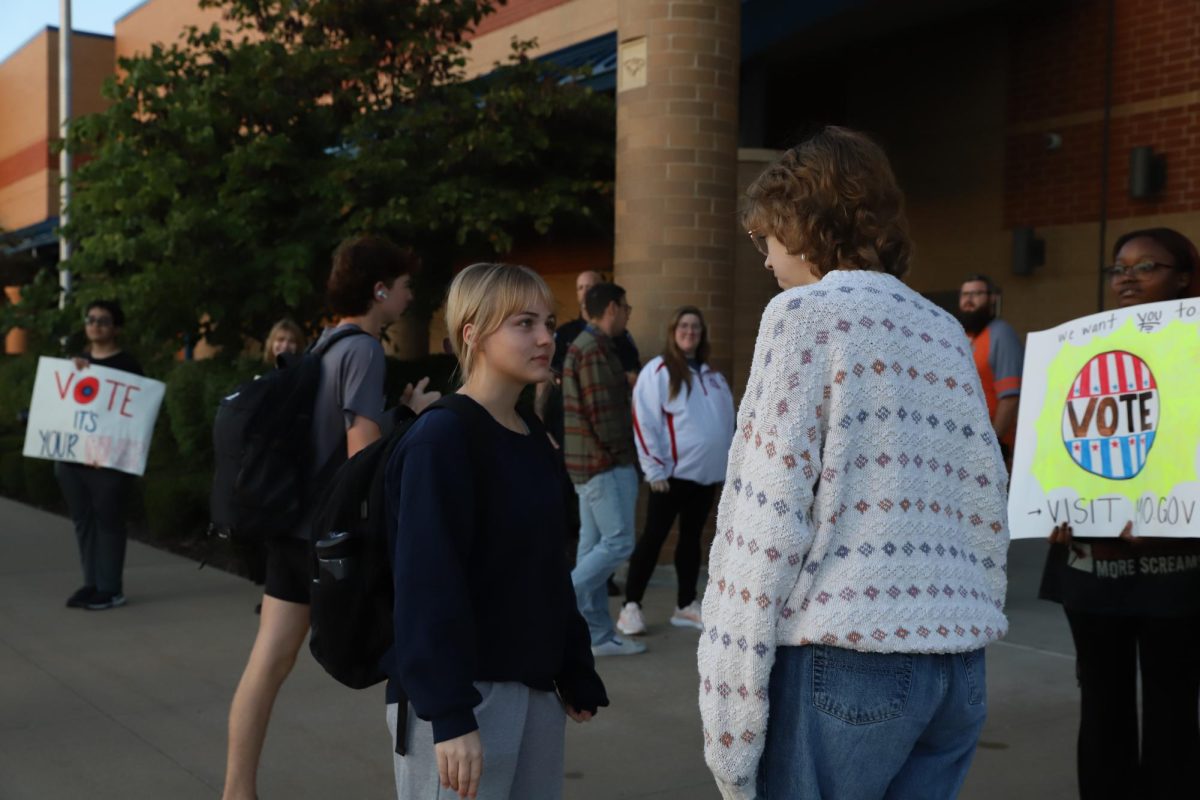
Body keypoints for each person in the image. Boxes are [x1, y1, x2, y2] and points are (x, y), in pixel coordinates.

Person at [698, 126, 1010, 800]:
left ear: (806, 224)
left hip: (846, 658)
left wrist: (730, 728)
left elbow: (763, 523)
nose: (766, 259)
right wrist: (971, 611)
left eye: (767, 239)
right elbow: (985, 499)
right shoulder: (943, 330)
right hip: (955, 663)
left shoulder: (802, 318)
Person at [222, 236, 439, 800]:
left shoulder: (326, 343)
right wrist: (413, 423)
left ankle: (236, 791)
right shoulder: (364, 349)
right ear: (380, 290)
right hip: (330, 540)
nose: (411, 294)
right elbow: (361, 454)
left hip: (291, 530)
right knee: (405, 647)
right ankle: (433, 776)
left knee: (267, 663)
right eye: (405, 285)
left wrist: (399, 412)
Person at [385, 262, 608, 800]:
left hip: (534, 688)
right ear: (473, 334)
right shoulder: (443, 439)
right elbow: (425, 584)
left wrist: (574, 664)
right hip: (463, 696)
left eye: (549, 323)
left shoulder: (530, 433)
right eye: (524, 323)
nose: (545, 339)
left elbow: (546, 566)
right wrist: (450, 713)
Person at [1041, 227, 1200, 800]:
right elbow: (1055, 445)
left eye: (1146, 266)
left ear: (1184, 276)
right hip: (1092, 567)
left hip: (1177, 575)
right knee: (1102, 706)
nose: (1126, 277)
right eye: (1118, 268)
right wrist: (1051, 503)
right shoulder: (1080, 349)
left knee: (1172, 709)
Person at [617, 306, 734, 635]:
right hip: (670, 477)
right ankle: (631, 607)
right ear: (673, 330)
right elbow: (644, 421)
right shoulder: (659, 371)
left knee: (691, 540)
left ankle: (685, 605)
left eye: (696, 326)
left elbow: (726, 423)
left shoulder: (712, 375)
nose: (690, 331)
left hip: (706, 476)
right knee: (653, 539)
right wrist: (653, 469)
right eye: (683, 325)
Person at [562, 283, 647, 657]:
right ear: (611, 308)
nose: (629, 313)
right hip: (604, 463)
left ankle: (597, 635)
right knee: (618, 543)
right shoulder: (593, 348)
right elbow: (605, 415)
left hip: (592, 464)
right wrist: (625, 455)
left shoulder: (588, 346)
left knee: (593, 547)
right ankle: (558, 600)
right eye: (626, 307)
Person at [57, 299, 143, 611]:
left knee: (109, 522)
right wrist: (72, 369)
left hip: (110, 462)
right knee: (83, 521)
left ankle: (111, 588)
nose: (95, 325)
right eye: (90, 319)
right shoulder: (77, 363)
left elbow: (134, 418)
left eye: (103, 320)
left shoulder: (128, 367)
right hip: (73, 460)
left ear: (116, 328)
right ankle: (91, 582)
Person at [957, 275, 1023, 466]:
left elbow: (1010, 398)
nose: (969, 299)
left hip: (994, 448)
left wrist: (990, 446)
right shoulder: (961, 337)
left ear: (992, 298)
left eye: (976, 293)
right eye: (965, 294)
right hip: (963, 447)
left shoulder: (1001, 333)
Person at [553, 269, 641, 386]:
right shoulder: (564, 333)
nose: (585, 292)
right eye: (580, 288)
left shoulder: (620, 334)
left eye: (589, 287)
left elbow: (634, 369)